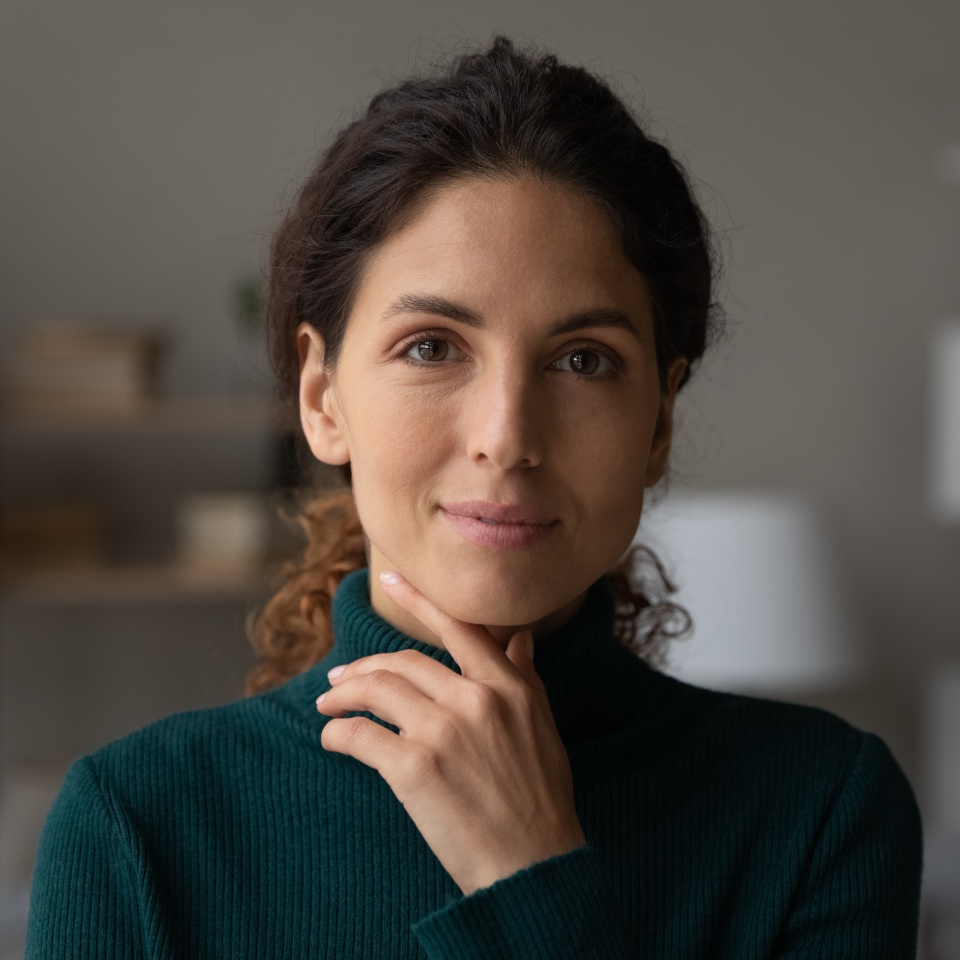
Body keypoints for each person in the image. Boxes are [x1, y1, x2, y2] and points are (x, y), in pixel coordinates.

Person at [25, 36, 922, 959]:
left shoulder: (820, 812)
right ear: (321, 397)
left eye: (584, 361)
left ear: (659, 420)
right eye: (431, 347)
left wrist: (531, 876)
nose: (507, 435)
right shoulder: (137, 828)